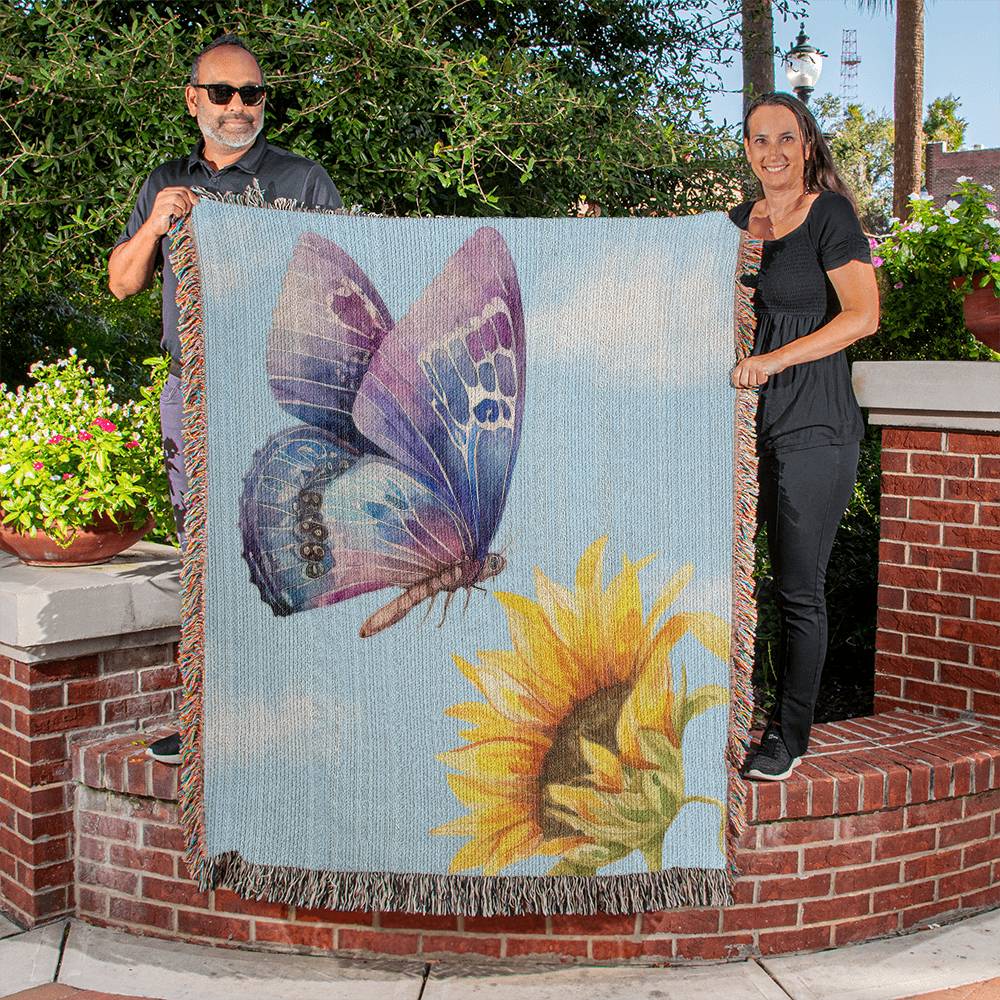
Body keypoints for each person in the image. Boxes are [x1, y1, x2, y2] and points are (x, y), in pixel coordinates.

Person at [109, 34, 343, 765]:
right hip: (196, 395)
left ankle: (306, 721)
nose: (238, 107)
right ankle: (209, 725)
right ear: (193, 100)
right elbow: (122, 283)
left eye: (251, 94)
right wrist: (157, 221)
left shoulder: (303, 181)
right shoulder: (164, 184)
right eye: (222, 93)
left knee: (294, 548)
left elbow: (336, 283)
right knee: (204, 557)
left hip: (276, 397)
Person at [728, 92, 879, 781]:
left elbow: (863, 317)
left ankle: (786, 739)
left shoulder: (829, 215)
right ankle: (724, 717)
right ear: (749, 150)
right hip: (742, 430)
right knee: (727, 580)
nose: (774, 152)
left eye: (786, 138)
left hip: (814, 427)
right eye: (760, 140)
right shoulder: (737, 223)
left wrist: (774, 360)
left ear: (808, 144)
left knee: (797, 590)